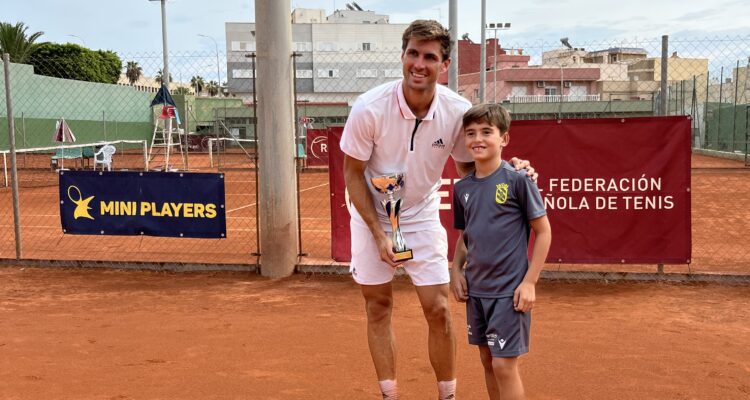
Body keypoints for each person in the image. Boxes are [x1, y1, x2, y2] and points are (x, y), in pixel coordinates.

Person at [340, 20, 537, 399]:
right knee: (378, 305)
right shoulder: (369, 108)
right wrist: (379, 234)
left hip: (420, 212)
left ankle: (447, 396)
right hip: (370, 215)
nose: (419, 63)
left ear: (443, 65)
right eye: (413, 53)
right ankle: (390, 394)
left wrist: (513, 173)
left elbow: (473, 169)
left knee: (439, 309)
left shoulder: (457, 111)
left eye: (429, 57)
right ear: (402, 56)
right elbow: (352, 175)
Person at [450, 103, 552, 400]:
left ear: (504, 138)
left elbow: (544, 232)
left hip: (509, 293)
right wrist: (456, 270)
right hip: (477, 292)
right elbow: (466, 235)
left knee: (504, 365)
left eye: (486, 132)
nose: (477, 139)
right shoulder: (462, 188)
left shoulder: (518, 180)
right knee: (488, 362)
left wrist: (530, 282)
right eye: (470, 133)